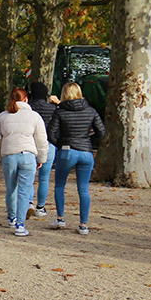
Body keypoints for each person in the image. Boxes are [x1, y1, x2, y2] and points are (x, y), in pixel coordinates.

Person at [48, 82, 106, 235]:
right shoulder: (91, 111)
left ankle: (60, 218)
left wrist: (61, 144)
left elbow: (51, 133)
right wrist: (89, 142)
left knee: (60, 185)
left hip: (67, 151)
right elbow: (101, 132)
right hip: (86, 151)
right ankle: (83, 225)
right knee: (83, 189)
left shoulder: (60, 112)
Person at [0, 87, 48, 237]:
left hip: (9, 155)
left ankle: (11, 217)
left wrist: (4, 143)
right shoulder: (34, 116)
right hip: (28, 155)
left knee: (11, 188)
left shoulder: (2, 116)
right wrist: (42, 158)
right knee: (24, 190)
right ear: (26, 99)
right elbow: (41, 140)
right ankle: (20, 224)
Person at [26, 81, 58, 218]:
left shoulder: (28, 108)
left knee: (28, 177)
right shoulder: (53, 109)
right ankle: (41, 207)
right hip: (48, 144)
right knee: (44, 178)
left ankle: (28, 203)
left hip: (29, 144)